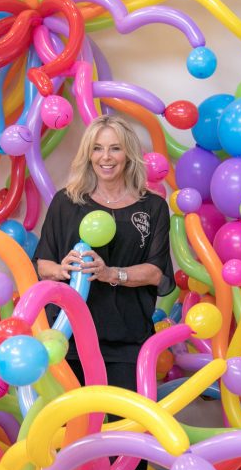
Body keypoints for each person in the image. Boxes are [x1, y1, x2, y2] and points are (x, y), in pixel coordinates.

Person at [34, 115, 174, 395]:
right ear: (88, 154)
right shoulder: (66, 202)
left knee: (126, 419)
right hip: (69, 338)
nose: (105, 157)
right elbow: (42, 264)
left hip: (127, 340)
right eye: (97, 148)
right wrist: (63, 269)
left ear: (128, 154)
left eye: (115, 148)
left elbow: (156, 272)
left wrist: (110, 273)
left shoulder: (153, 207)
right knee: (71, 418)